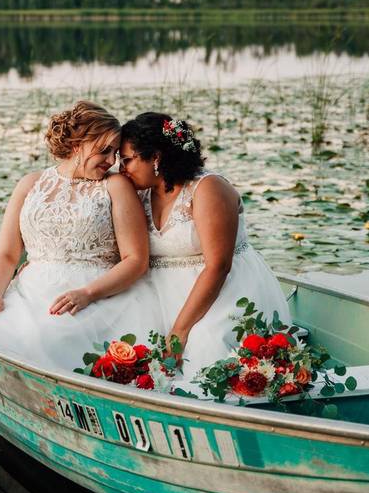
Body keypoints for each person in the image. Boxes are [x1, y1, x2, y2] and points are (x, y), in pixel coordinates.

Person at [0, 100, 159, 371]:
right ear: (78, 145)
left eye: (114, 152)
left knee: (48, 338)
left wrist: (87, 293)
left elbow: (135, 259)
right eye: (104, 150)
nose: (112, 161)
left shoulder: (115, 186)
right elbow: (7, 253)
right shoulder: (30, 184)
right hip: (30, 289)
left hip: (95, 293)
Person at [118, 112, 290, 381]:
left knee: (205, 346)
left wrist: (180, 330)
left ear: (156, 157)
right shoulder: (139, 192)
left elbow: (219, 265)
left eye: (127, 159)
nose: (121, 169)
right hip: (162, 296)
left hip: (222, 293)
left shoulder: (207, 188)